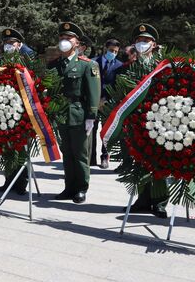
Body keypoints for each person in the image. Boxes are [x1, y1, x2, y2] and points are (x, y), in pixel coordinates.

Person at [48, 22, 100, 204]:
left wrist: (91, 116)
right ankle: (69, 187)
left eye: (68, 38)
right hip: (61, 114)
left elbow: (94, 92)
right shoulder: (54, 65)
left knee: (80, 154)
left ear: (77, 43)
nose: (64, 41)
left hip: (79, 114)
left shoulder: (87, 65)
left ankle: (81, 188)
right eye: (62, 38)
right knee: (67, 153)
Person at [127, 23, 168, 218]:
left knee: (159, 161)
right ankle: (142, 199)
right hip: (137, 122)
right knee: (139, 160)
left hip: (159, 122)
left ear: (154, 44)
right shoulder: (129, 68)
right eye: (139, 41)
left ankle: (159, 202)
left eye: (146, 41)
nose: (142, 44)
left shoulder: (162, 67)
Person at [0, 28, 31, 195]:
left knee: (20, 148)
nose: (8, 46)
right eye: (6, 43)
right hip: (4, 110)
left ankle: (21, 183)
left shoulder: (27, 60)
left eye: (12, 43)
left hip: (21, 111)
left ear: (19, 45)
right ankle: (8, 180)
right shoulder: (1, 61)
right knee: (7, 148)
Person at [91, 39, 124, 169]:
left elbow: (118, 86)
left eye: (115, 51)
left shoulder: (119, 65)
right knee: (91, 130)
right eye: (111, 50)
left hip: (108, 104)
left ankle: (105, 157)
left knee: (106, 132)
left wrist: (107, 100)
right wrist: (96, 99)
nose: (113, 53)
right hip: (93, 102)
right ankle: (91, 158)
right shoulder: (93, 62)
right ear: (105, 48)